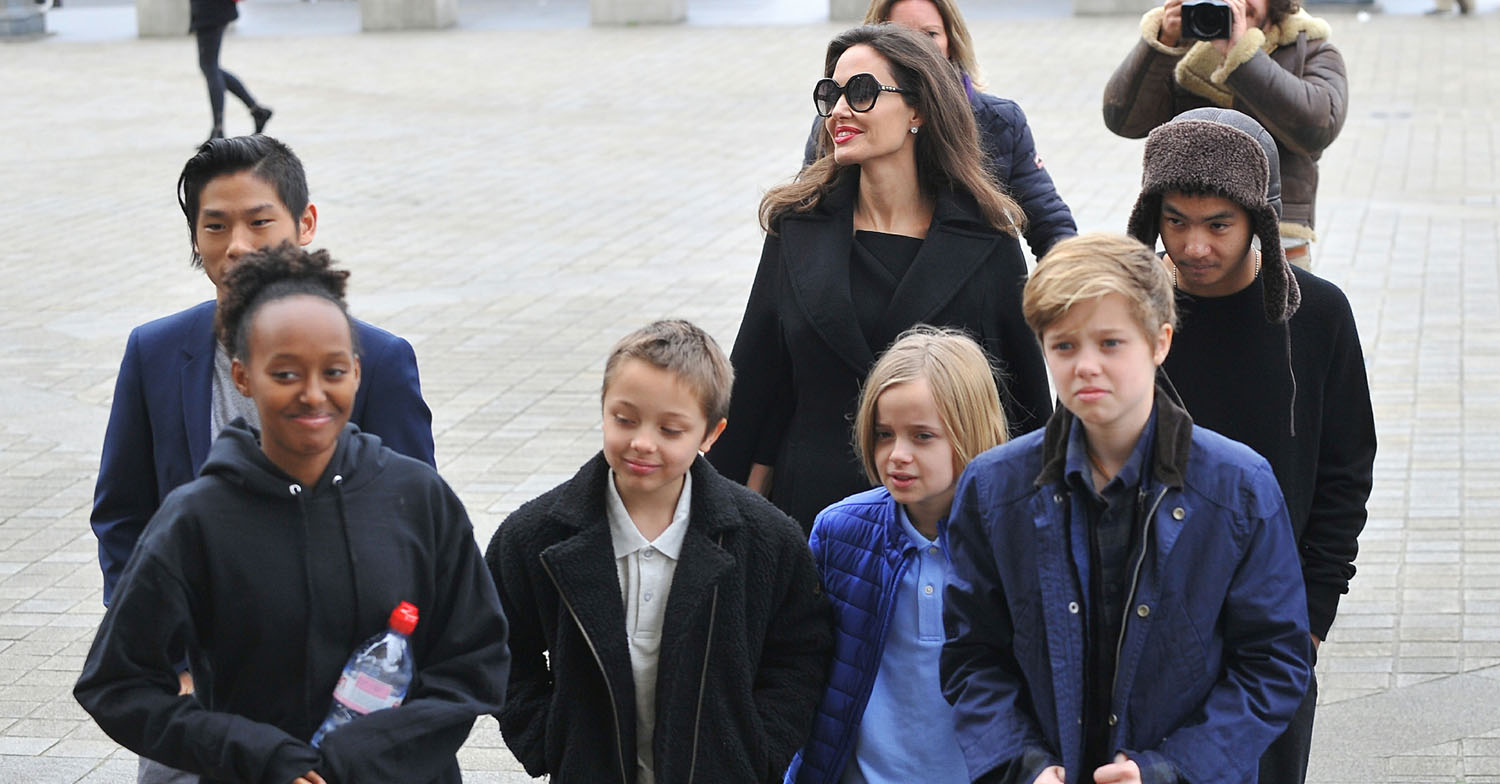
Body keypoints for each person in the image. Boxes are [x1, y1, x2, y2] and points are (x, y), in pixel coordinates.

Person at [75, 245, 510, 784]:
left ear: (356, 370)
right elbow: (115, 685)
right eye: (284, 374)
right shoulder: (196, 520)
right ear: (242, 376)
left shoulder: (418, 498)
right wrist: (251, 753)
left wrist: (358, 758)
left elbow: (476, 664)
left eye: (333, 371)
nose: (313, 395)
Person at [940, 232, 1311, 784]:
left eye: (1110, 343)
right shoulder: (994, 488)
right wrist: (1021, 766)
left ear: (1160, 342)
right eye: (1064, 346)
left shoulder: (1239, 487)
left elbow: (1273, 664)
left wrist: (1169, 770)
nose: (1086, 365)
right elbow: (973, 656)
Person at [713, 24, 1052, 531]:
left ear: (918, 109)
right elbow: (757, 385)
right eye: (831, 94)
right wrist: (720, 520)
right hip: (809, 519)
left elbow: (1024, 408)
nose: (841, 111)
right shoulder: (795, 228)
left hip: (945, 527)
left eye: (863, 92)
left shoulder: (987, 241)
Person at [1126, 107, 1376, 784]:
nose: (1194, 246)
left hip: (1269, 630)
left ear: (1258, 220)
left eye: (1218, 225)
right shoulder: (1127, 316)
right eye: (1175, 221)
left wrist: (1312, 618)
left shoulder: (1320, 315)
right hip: (1140, 625)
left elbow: (1345, 475)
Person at [91, 134, 435, 612]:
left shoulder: (379, 359)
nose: (237, 246)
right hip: (200, 659)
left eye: (259, 222)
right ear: (195, 235)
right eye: (215, 226)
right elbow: (123, 515)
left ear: (305, 222)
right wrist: (162, 655)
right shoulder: (155, 353)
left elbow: (414, 524)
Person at [486, 320, 833, 783]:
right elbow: (496, 643)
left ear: (711, 434)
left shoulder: (765, 539)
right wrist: (549, 740)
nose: (642, 442)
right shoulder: (535, 535)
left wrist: (756, 748)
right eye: (625, 419)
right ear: (604, 409)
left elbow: (801, 653)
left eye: (671, 429)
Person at [785, 325, 1009, 784]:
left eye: (922, 436)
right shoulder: (838, 531)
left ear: (970, 433)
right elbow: (804, 669)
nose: (897, 455)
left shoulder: (1015, 540)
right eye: (885, 434)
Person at [802, 0, 1077, 259]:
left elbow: (1050, 224)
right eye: (899, 35)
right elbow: (807, 213)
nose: (915, 48)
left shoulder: (999, 122)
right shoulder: (840, 124)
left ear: (952, 44)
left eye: (929, 35)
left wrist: (1079, 292)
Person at [1102, 0, 1346, 269]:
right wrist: (1162, 43)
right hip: (1191, 236)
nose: (1235, 4)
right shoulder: (1188, 47)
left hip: (1276, 237)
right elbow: (1123, 120)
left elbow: (1316, 129)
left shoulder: (1310, 49)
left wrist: (1242, 55)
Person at [191, 0, 273, 142]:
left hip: (210, 10)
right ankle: (257, 111)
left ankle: (219, 129)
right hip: (214, 9)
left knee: (210, 66)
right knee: (210, 66)